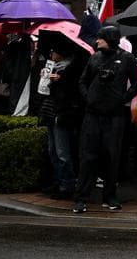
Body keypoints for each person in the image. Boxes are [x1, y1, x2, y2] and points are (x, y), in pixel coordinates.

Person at [72, 26, 137, 213]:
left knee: (112, 157)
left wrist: (122, 99)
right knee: (88, 156)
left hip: (114, 116)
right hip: (93, 115)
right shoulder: (94, 57)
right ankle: (81, 199)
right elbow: (82, 81)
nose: (97, 41)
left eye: (101, 38)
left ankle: (110, 197)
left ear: (109, 39)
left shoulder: (127, 58)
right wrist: (88, 98)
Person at [39, 47, 85, 200]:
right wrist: (45, 79)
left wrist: (60, 80)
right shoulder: (52, 67)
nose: (51, 54)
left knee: (62, 152)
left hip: (62, 113)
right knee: (53, 150)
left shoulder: (72, 68)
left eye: (54, 51)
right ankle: (59, 182)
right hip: (51, 111)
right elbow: (44, 91)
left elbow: (72, 91)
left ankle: (67, 185)